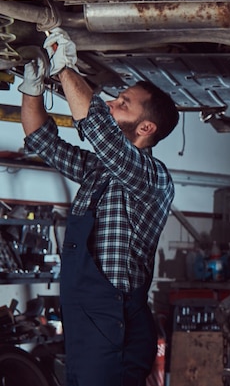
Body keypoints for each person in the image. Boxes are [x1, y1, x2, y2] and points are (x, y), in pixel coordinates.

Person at [18, 28, 179, 386]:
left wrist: (65, 68)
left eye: (123, 104)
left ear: (146, 127)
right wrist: (33, 88)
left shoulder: (152, 178)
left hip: (114, 327)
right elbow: (40, 138)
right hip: (88, 324)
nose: (111, 104)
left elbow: (99, 129)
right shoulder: (100, 171)